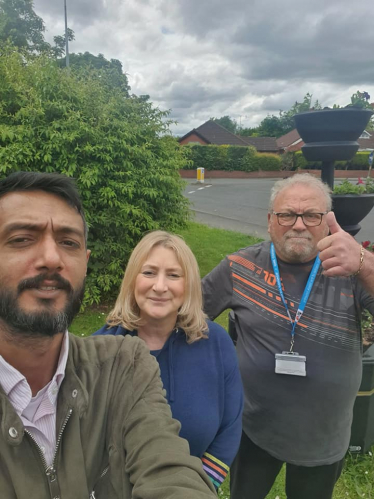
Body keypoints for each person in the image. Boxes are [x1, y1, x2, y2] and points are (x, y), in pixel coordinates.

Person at [0, 171, 218, 499]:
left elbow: (169, 468)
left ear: (85, 263)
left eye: (68, 242)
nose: (51, 259)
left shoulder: (122, 365)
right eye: (21, 239)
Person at [202, 173, 374, 499]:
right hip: (253, 430)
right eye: (286, 214)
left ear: (327, 222)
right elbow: (185, 317)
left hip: (323, 437)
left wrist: (364, 263)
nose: (298, 225)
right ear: (270, 221)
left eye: (311, 215)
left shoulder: (349, 269)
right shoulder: (239, 268)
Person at [94, 230, 243, 489]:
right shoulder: (101, 350)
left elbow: (230, 426)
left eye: (173, 275)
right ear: (132, 279)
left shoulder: (217, 343)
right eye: (149, 272)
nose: (160, 286)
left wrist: (196, 488)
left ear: (189, 286)